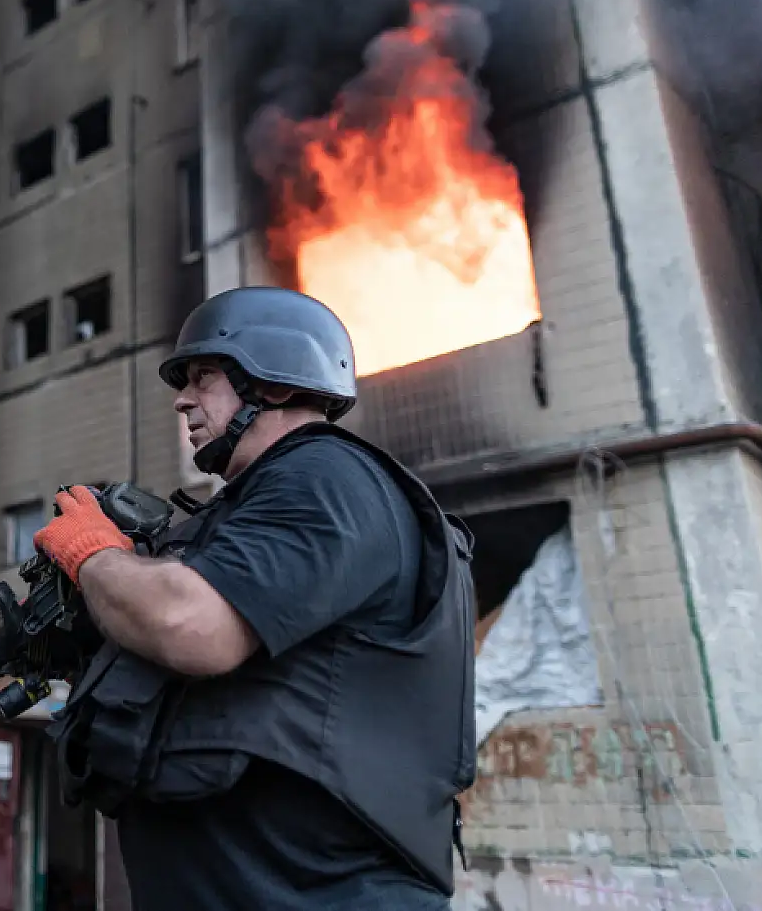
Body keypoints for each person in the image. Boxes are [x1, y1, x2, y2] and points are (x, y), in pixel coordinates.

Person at [35, 287, 476, 910]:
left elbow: (189, 623)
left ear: (271, 382)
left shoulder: (326, 476)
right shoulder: (250, 509)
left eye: (203, 376)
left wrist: (93, 553)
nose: (182, 399)